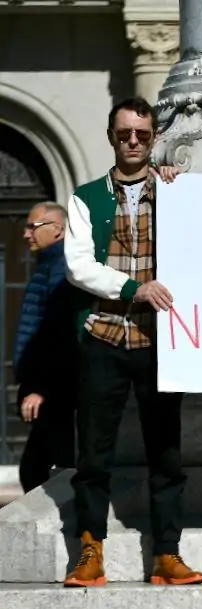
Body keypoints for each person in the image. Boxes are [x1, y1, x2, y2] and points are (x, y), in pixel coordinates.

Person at [62, 96, 202, 588]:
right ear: (112, 137)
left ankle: (167, 553)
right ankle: (89, 551)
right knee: (93, 455)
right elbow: (78, 265)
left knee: (165, 452)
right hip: (103, 336)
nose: (134, 142)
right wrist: (131, 287)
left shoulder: (175, 191)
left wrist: (176, 186)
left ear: (154, 137)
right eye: (125, 134)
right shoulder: (86, 198)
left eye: (142, 135)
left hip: (158, 342)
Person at [12, 201, 78, 493]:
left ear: (57, 230)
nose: (27, 234)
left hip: (56, 388)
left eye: (33, 227)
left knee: (38, 469)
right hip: (47, 384)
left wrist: (41, 388)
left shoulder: (62, 266)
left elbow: (57, 332)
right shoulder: (48, 265)